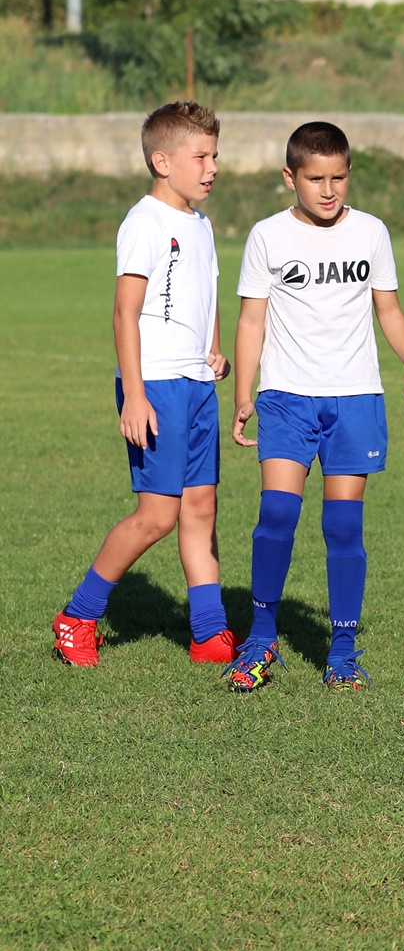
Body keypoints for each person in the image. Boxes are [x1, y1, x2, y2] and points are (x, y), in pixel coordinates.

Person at [225, 121, 404, 693]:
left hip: (356, 397)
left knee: (343, 524)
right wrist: (243, 393)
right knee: (277, 514)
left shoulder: (371, 231)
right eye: (315, 179)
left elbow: (388, 308)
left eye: (338, 177)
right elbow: (251, 319)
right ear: (290, 177)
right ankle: (261, 641)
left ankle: (341, 652)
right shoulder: (268, 236)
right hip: (286, 397)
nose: (328, 189)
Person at [53, 102, 235, 668]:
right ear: (162, 161)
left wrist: (214, 348)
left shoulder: (201, 224)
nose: (212, 167)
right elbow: (124, 313)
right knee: (157, 515)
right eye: (200, 157)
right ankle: (78, 616)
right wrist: (134, 394)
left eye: (214, 155)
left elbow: (207, 292)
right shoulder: (144, 222)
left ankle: (209, 633)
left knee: (200, 509)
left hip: (196, 383)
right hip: (155, 385)